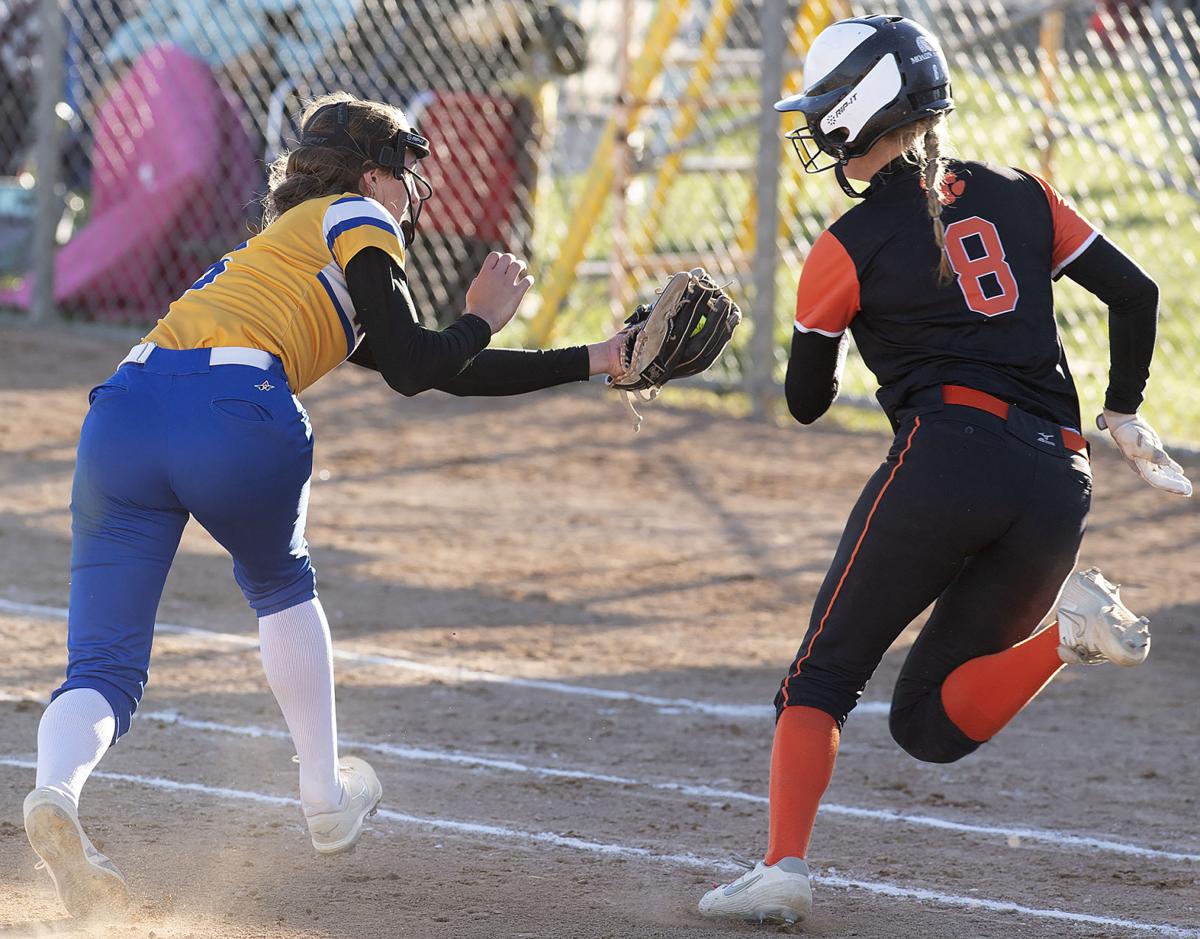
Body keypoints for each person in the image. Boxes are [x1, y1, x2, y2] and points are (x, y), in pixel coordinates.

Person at [22, 91, 628, 919]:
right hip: (232, 411)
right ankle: (323, 793)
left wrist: (597, 358)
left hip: (123, 411)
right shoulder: (355, 215)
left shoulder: (281, 251)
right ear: (373, 175)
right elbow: (424, 363)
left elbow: (434, 364)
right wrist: (483, 315)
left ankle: (53, 792)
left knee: (101, 668)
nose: (414, 192)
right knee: (279, 584)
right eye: (406, 174)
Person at [698, 15, 1191, 925]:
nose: (813, 130)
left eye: (822, 113)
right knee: (926, 726)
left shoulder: (846, 243)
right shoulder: (1023, 189)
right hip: (1058, 480)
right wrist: (1122, 407)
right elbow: (1137, 292)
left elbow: (807, 402)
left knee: (822, 675)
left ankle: (782, 867)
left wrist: (836, 333)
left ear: (857, 114)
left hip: (946, 459)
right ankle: (1067, 634)